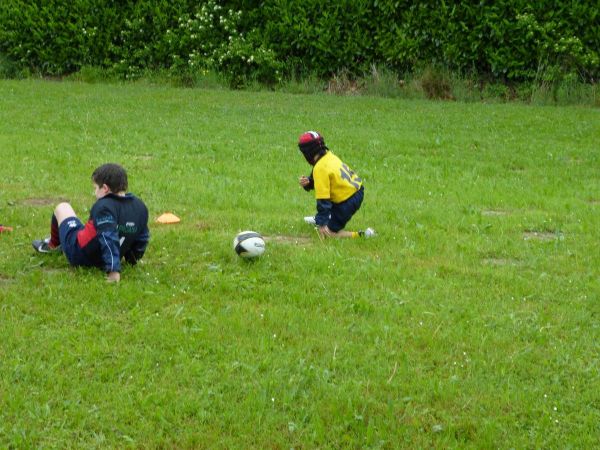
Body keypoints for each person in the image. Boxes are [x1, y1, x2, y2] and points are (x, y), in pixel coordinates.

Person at [32, 163, 150, 282]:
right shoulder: (140, 207)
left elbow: (108, 237)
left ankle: (52, 245)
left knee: (62, 207)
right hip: (107, 254)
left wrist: (113, 271)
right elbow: (142, 237)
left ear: (105, 188)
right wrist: (132, 259)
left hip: (80, 254)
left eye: (95, 188)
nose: (94, 193)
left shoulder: (104, 207)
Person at [298, 131, 375, 238]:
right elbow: (330, 178)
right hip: (356, 190)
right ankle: (325, 218)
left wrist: (322, 224)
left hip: (347, 200)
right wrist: (310, 182)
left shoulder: (320, 168)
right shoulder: (328, 156)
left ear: (307, 153)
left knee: (328, 234)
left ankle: (363, 235)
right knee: (326, 218)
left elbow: (323, 201)